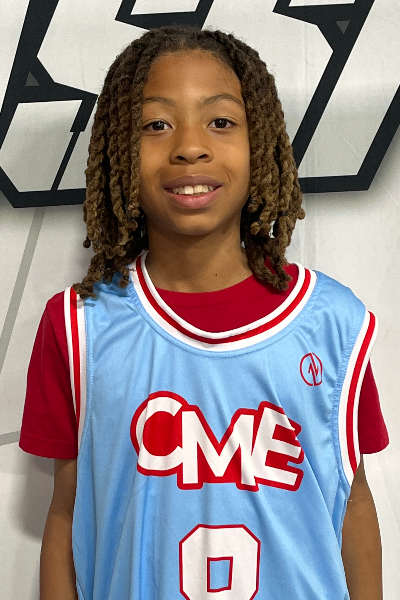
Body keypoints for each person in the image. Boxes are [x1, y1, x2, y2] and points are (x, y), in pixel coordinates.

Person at [19, 25, 389, 600]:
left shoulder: (334, 323)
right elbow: (67, 511)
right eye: (155, 125)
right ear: (118, 150)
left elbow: (352, 500)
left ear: (259, 140)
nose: (190, 146)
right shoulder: (77, 326)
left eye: (220, 121)